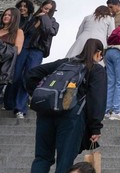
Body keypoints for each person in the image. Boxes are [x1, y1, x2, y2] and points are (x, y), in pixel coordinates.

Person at [26, 38, 106, 173]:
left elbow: (31, 74)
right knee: (65, 160)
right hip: (71, 116)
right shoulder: (95, 69)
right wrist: (95, 127)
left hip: (46, 112)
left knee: (42, 157)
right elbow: (96, 99)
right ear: (98, 53)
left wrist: (39, 95)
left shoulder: (64, 63)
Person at [6, 0, 59, 118]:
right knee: (15, 75)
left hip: (37, 50)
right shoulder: (31, 19)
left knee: (28, 77)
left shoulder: (53, 22)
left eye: (48, 10)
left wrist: (44, 18)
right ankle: (9, 103)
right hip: (24, 47)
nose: (45, 11)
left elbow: (49, 31)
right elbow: (22, 32)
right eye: (44, 8)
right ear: (41, 7)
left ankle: (20, 108)